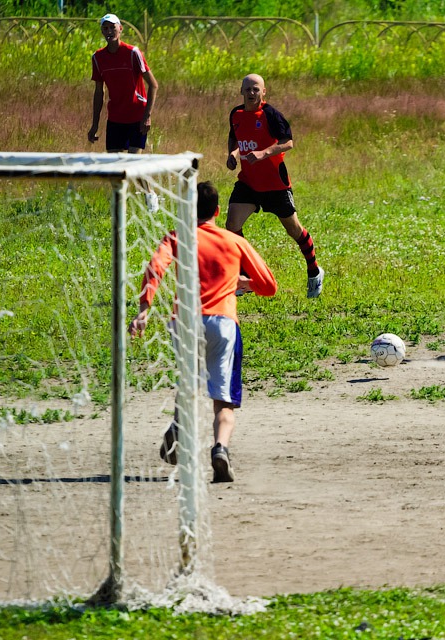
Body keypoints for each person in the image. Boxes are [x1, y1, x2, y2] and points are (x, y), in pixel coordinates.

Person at [128, 181, 277, 483]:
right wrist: (243, 283)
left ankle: (177, 428)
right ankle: (220, 449)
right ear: (218, 211)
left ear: (186, 210)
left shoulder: (177, 236)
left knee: (188, 386)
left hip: (183, 322)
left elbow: (155, 268)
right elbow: (269, 285)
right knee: (222, 400)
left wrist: (144, 309)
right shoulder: (233, 241)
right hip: (222, 323)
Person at [225, 73, 324, 298]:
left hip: (275, 184)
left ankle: (314, 271)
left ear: (264, 92)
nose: (251, 93)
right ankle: (244, 277)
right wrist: (232, 154)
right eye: (248, 89)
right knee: (232, 225)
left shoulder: (270, 114)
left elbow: (288, 142)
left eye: (256, 89)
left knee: (294, 230)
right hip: (248, 182)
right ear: (241, 91)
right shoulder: (236, 114)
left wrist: (263, 153)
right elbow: (234, 137)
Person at [87, 13, 160, 210]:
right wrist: (95, 124)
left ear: (120, 29)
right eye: (105, 28)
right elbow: (98, 92)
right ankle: (120, 203)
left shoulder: (133, 52)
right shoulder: (98, 58)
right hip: (115, 118)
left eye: (113, 27)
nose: (109, 31)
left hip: (137, 116)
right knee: (115, 165)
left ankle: (149, 194)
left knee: (134, 163)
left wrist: (147, 116)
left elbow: (153, 85)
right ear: (102, 31)